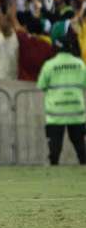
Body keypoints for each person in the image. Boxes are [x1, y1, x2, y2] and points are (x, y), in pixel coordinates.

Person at [36, 22, 86, 165]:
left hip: (56, 115)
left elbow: (41, 85)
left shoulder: (49, 65)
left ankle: (52, 178)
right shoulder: (80, 64)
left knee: (54, 152)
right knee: (81, 150)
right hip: (76, 113)